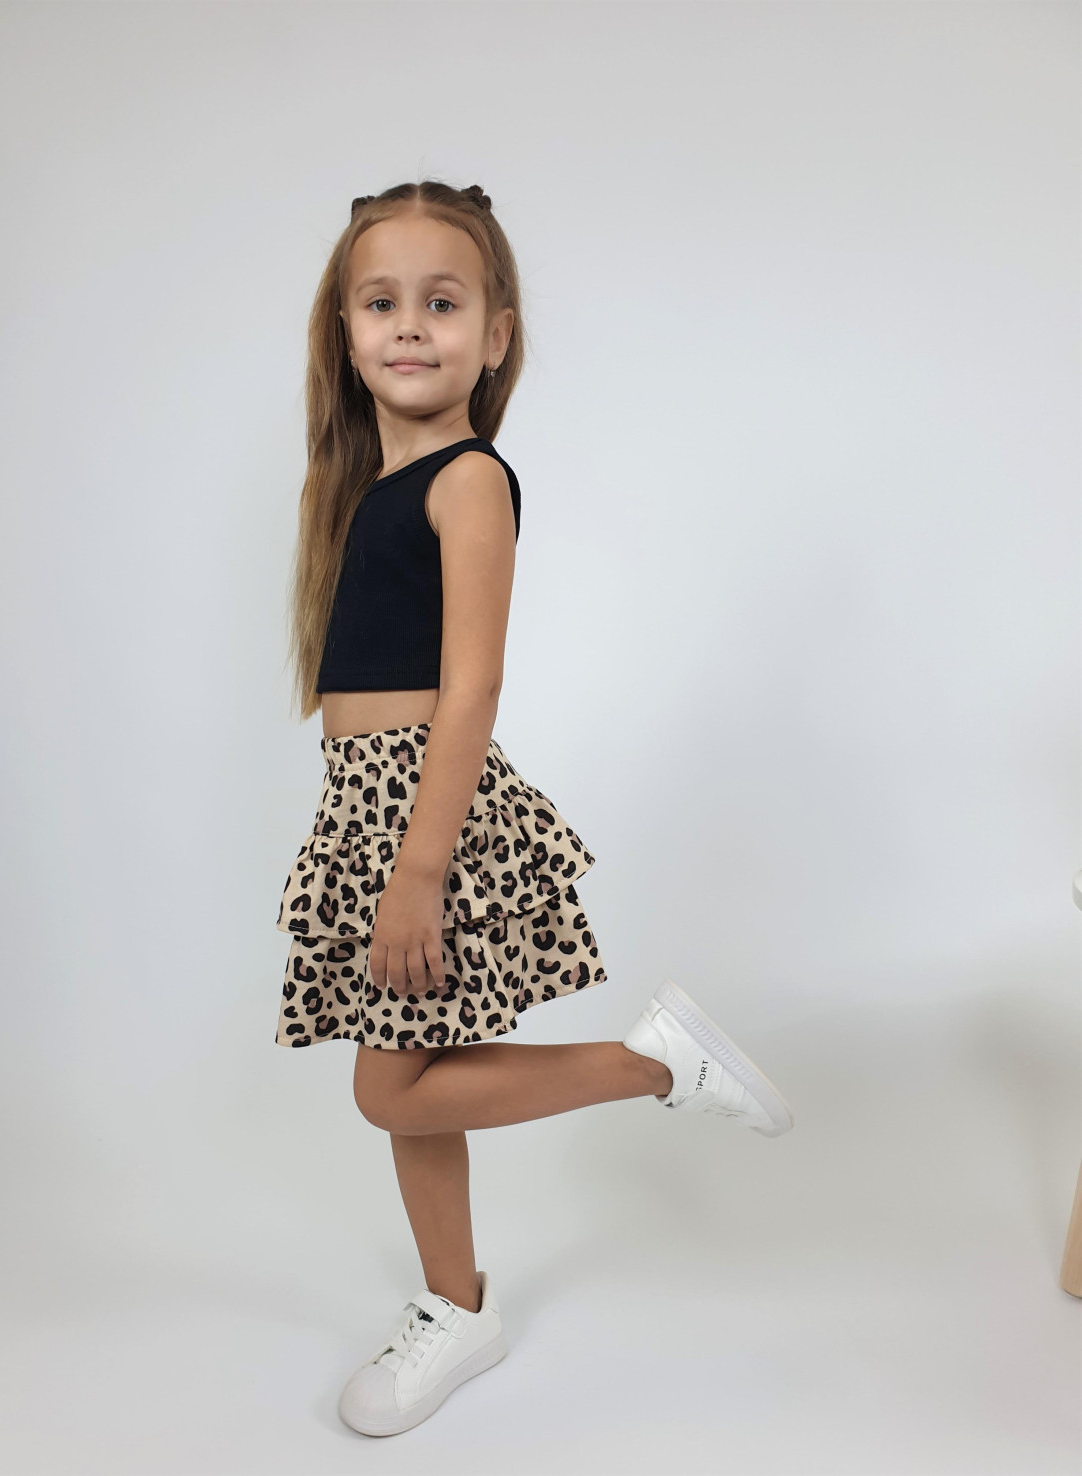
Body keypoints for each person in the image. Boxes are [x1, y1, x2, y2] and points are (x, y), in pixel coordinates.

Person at [274, 180, 795, 1439]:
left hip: (423, 809)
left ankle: (653, 1065)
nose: (410, 326)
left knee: (389, 1089)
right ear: (344, 329)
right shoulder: (366, 485)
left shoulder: (468, 481)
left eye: (442, 303)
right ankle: (457, 1304)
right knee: (412, 1070)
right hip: (370, 803)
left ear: (496, 335)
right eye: (381, 302)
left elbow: (473, 688)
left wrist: (415, 872)